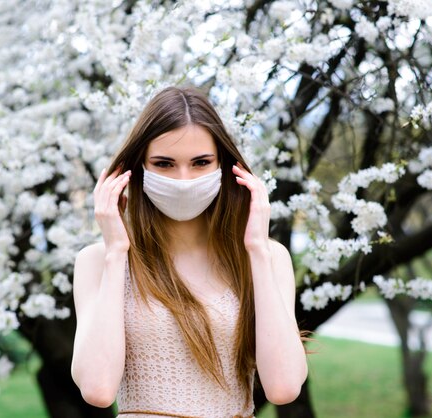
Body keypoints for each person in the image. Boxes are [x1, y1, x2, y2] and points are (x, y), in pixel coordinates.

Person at [71, 86, 309, 418]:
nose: (184, 180)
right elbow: (97, 388)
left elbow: (283, 387)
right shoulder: (98, 261)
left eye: (200, 162)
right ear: (137, 168)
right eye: (164, 163)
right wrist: (117, 252)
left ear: (226, 166)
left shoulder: (268, 257)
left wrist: (256, 248)